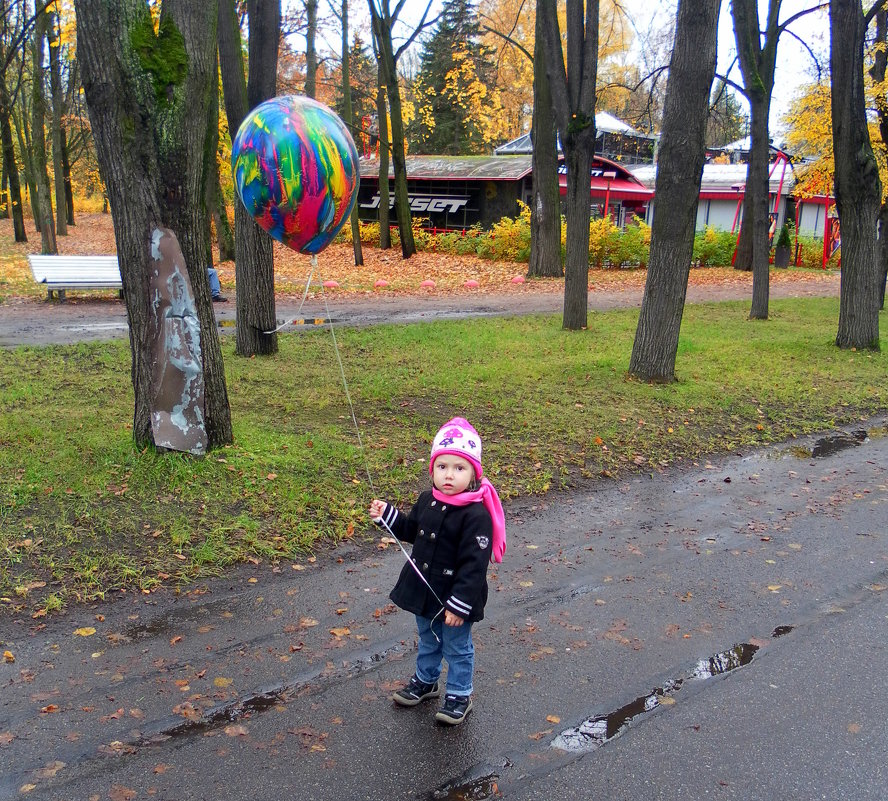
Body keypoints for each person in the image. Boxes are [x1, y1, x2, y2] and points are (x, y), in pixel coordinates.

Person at [369, 417, 505, 725]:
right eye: (442, 466)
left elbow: (474, 566)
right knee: (428, 638)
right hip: (423, 589)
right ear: (433, 468)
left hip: (456, 598)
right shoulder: (427, 500)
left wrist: (460, 604)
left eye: (459, 468)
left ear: (473, 474)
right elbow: (410, 530)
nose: (449, 474)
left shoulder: (476, 515)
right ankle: (426, 681)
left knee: (457, 647)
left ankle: (459, 695)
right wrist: (387, 515)